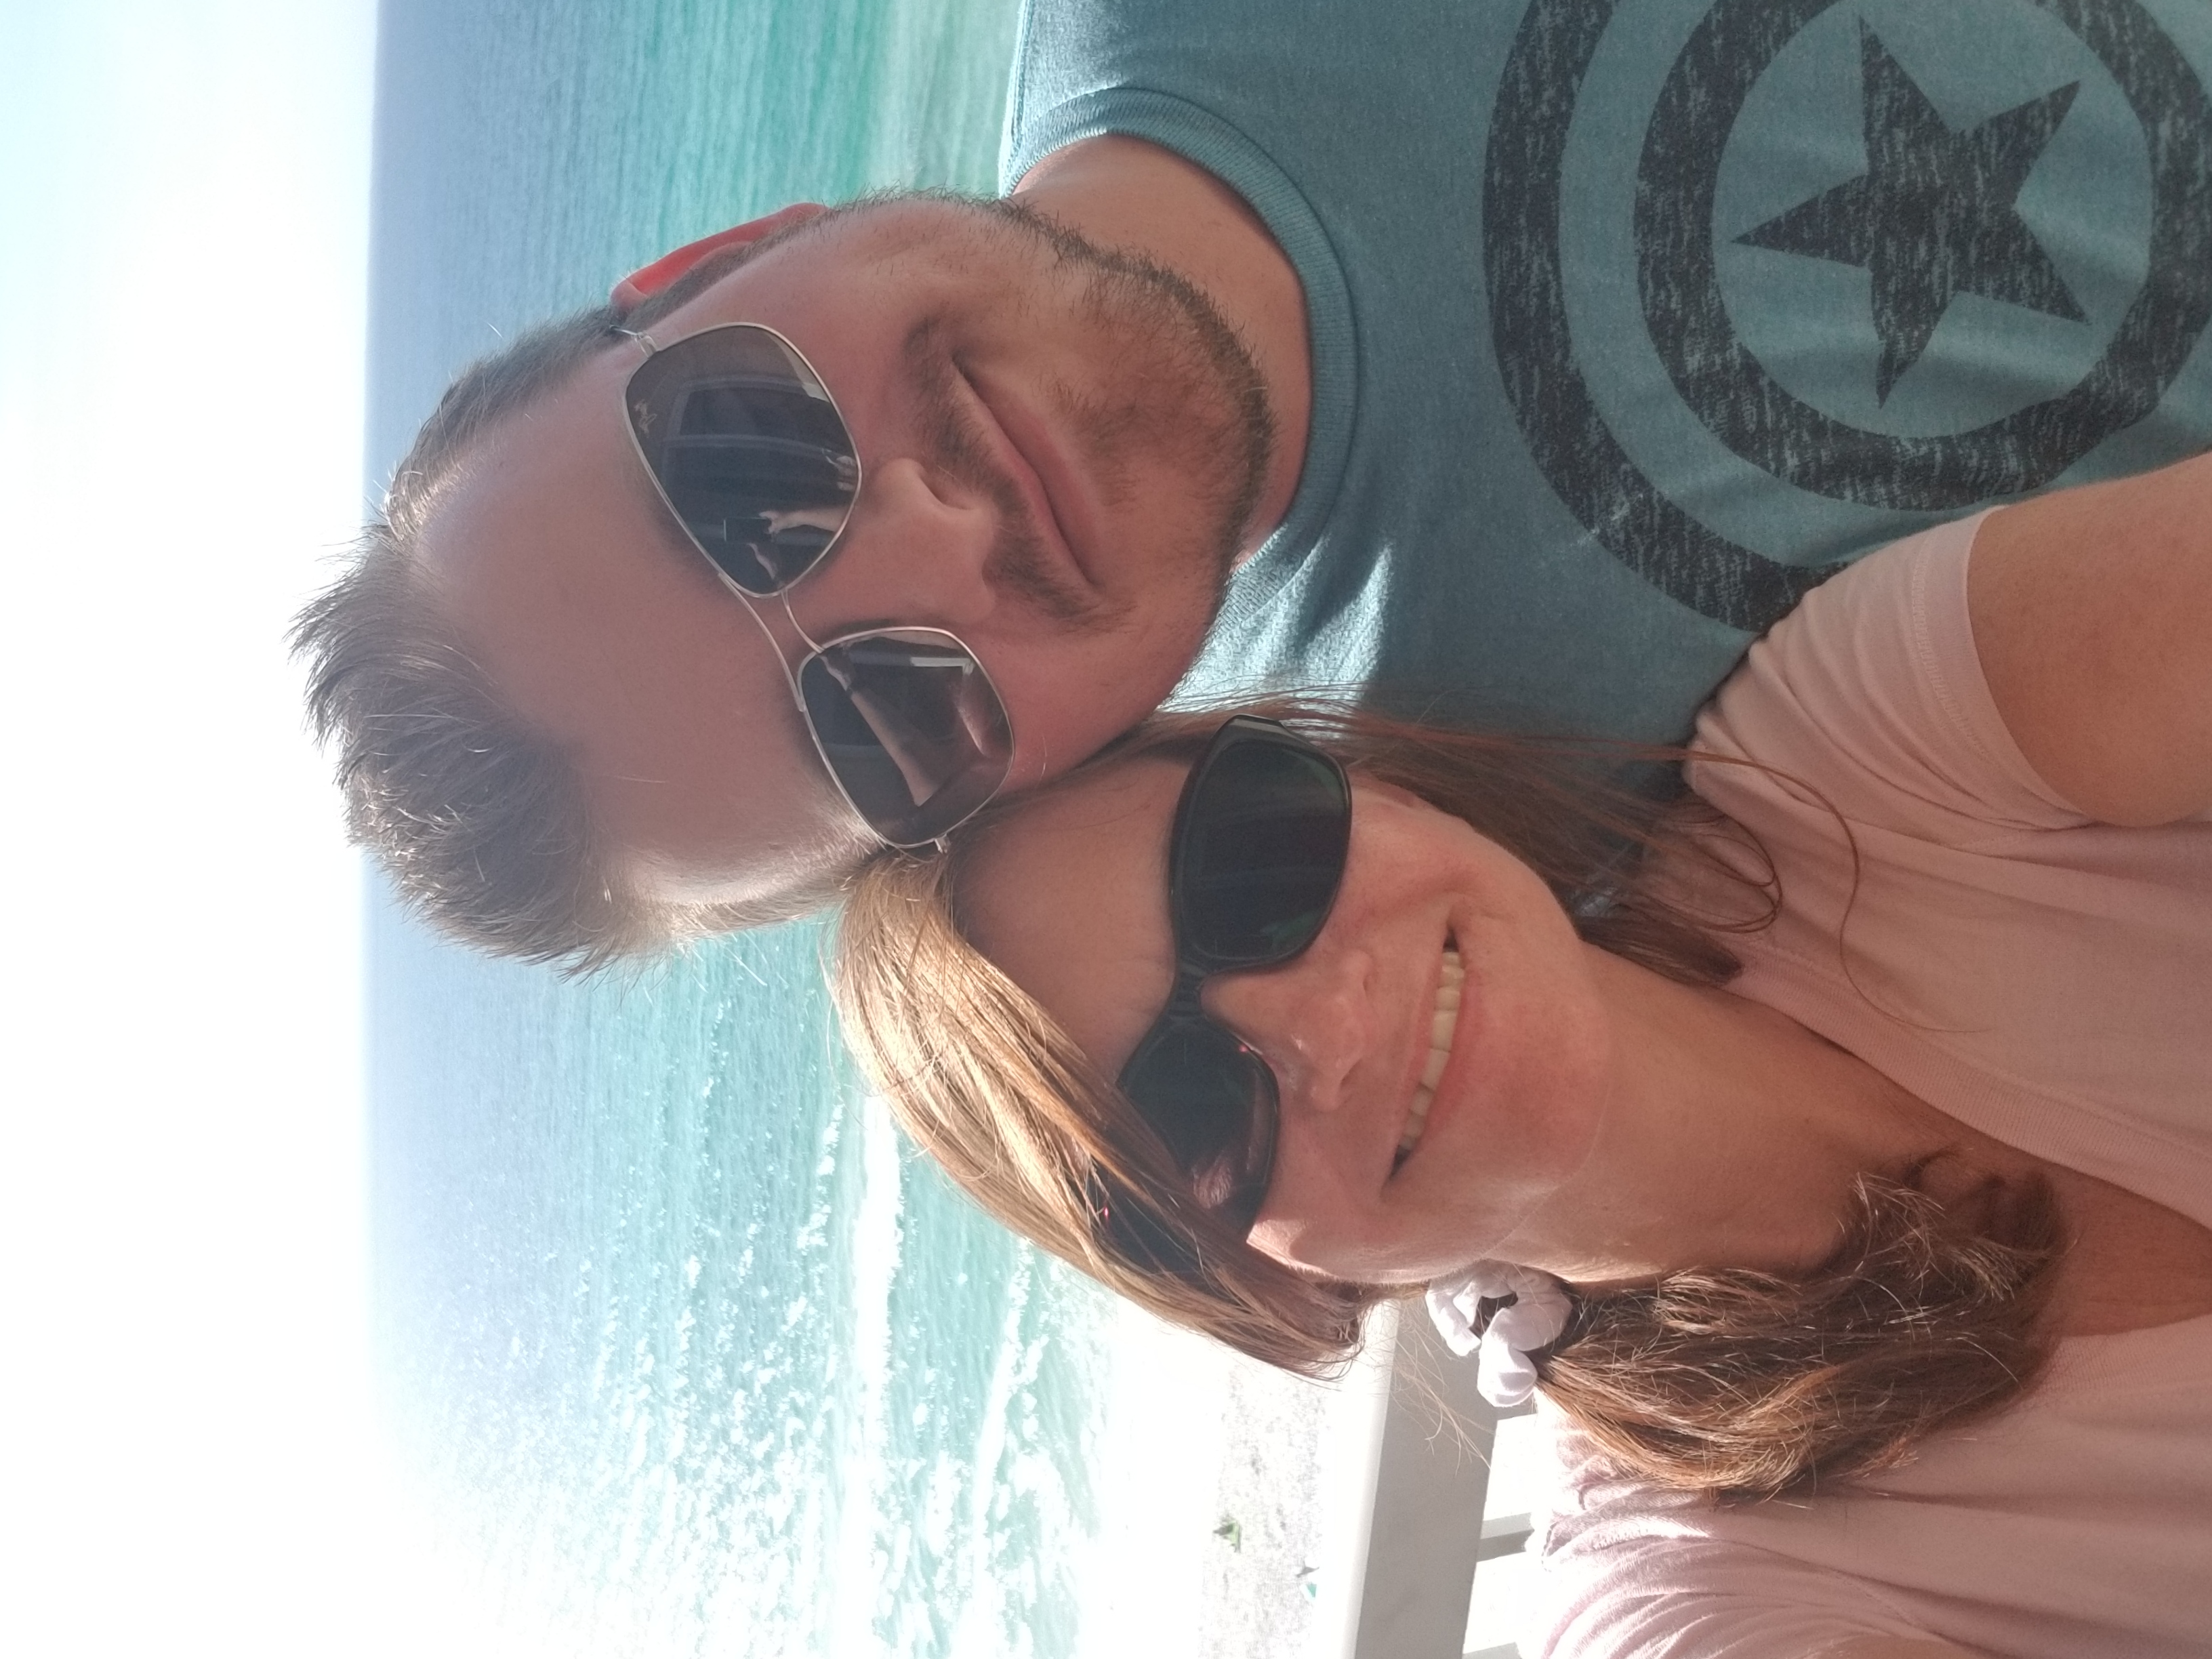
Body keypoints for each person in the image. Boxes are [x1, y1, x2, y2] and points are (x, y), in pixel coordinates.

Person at [295, 1, 2212, 966]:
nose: (934, 540)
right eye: (882, 720)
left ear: (715, 256)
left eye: (745, 457)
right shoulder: (1516, 847)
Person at [827, 449, 2212, 1658]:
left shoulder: (1878, 743)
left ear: (1366, 783)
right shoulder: (1687, 1599)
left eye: (1253, 864)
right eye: (1195, 1111)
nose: (1324, 1027)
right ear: (1266, 1278)